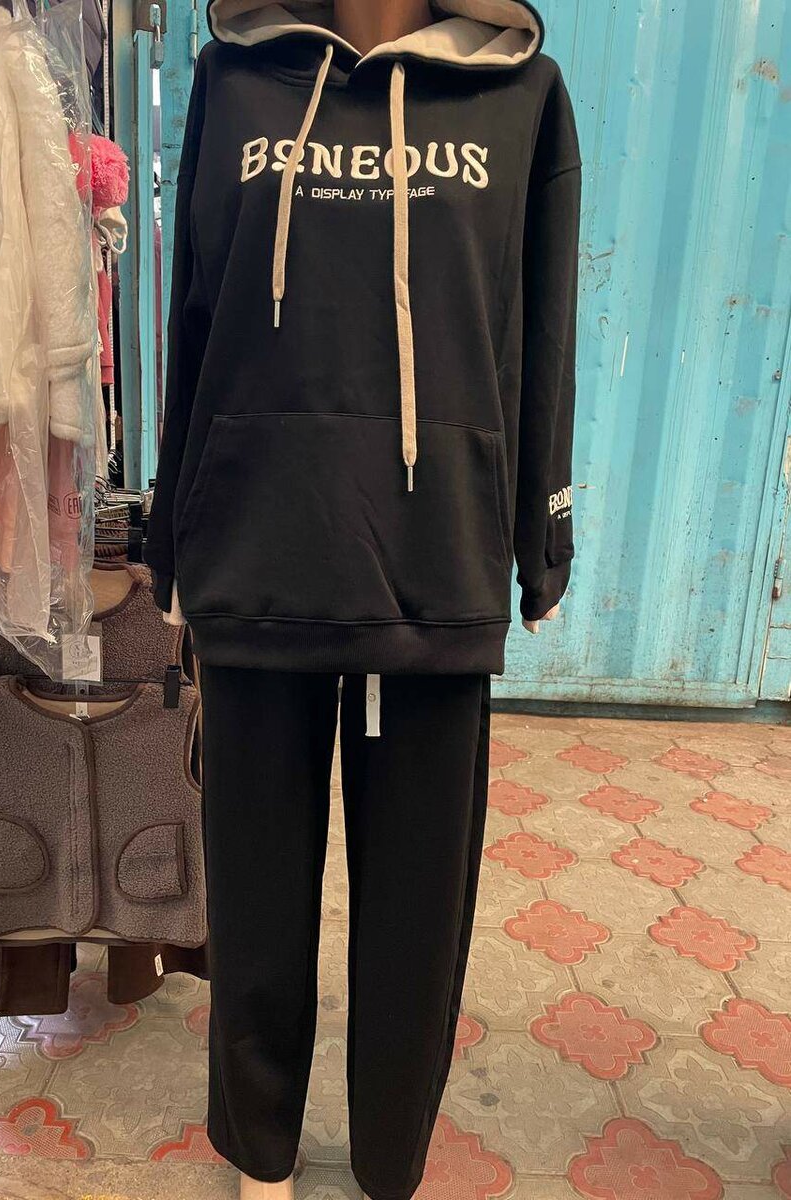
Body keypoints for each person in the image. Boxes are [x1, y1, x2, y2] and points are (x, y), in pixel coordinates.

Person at [146, 1, 580, 1196]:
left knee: (415, 921)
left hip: (431, 558)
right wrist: (172, 533)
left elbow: (540, 326)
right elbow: (194, 315)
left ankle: (392, 1164)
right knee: (256, 902)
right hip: (254, 542)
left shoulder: (519, 93)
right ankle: (261, 1154)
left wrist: (542, 534)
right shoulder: (234, 78)